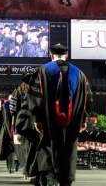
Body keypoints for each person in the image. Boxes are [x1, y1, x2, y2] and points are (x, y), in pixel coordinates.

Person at [28, 44, 91, 186]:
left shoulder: (42, 71)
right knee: (68, 152)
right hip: (73, 123)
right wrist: (84, 119)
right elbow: (88, 98)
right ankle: (66, 181)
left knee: (48, 149)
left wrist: (37, 119)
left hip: (48, 122)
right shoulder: (80, 74)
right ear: (66, 56)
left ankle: (51, 180)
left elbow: (34, 98)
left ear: (51, 56)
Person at [14, 73, 39, 182]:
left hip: (23, 123)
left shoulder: (17, 91)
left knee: (25, 149)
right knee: (33, 149)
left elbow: (14, 112)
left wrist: (16, 129)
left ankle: (26, 172)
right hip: (34, 122)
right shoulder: (37, 91)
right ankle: (30, 171)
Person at [0, 94, 18, 173]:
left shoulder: (4, 106)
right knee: (15, 148)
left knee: (8, 148)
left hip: (5, 129)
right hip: (15, 128)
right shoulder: (17, 105)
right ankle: (16, 165)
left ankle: (9, 167)